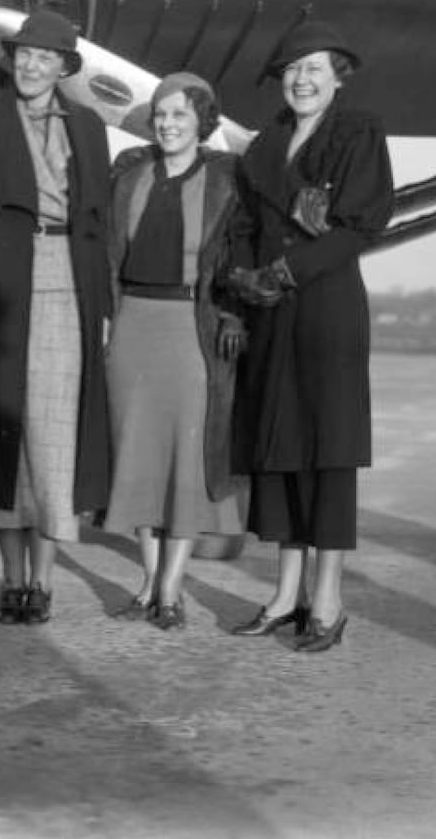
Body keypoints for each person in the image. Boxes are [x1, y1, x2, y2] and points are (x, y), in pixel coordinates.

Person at [226, 20, 394, 652]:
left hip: (325, 308)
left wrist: (287, 269)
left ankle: (328, 600)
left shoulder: (359, 133)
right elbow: (243, 221)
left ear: (337, 75)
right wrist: (243, 275)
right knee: (280, 451)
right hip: (271, 310)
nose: (301, 79)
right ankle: (284, 594)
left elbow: (361, 225)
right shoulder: (265, 142)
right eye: (291, 69)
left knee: (327, 453)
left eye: (313, 68)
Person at [0, 10, 112, 625]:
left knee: (53, 435)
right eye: (23, 53)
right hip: (3, 281)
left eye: (45, 56)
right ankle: (11, 578)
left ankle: (42, 581)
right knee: (4, 436)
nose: (30, 64)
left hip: (69, 280)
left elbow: (99, 225)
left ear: (64, 66)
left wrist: (101, 306)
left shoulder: (90, 128)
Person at [100, 72, 247, 631]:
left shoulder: (227, 182)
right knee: (137, 455)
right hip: (133, 323)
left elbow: (237, 254)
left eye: (180, 115)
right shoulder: (129, 177)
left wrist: (233, 314)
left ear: (203, 122)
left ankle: (171, 588)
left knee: (186, 459)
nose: (167, 124)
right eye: (160, 115)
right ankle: (147, 581)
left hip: (191, 326)